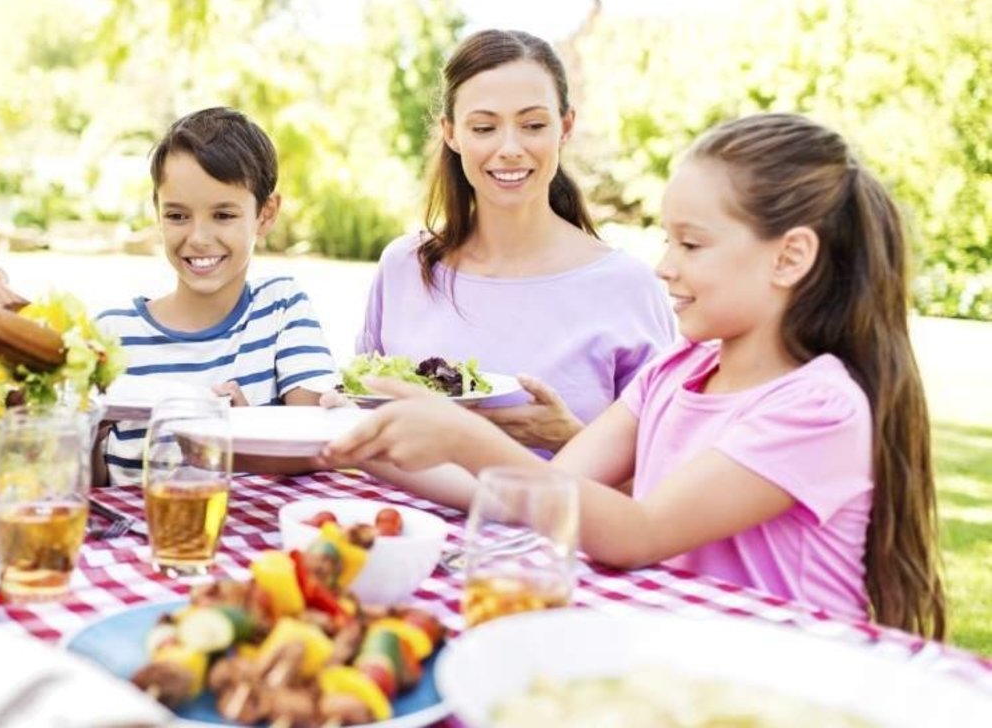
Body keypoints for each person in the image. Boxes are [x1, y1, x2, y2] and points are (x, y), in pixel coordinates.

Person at [323, 113, 945, 638]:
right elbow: (550, 492)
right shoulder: (676, 371)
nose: (664, 267)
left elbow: (639, 533)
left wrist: (460, 435)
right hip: (671, 659)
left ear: (790, 257)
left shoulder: (817, 408)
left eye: (691, 245)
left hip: (781, 688)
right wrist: (384, 437)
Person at [355, 29, 673, 459]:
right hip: (406, 525)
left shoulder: (628, 287)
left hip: (554, 524)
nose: (509, 148)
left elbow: (666, 476)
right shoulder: (403, 267)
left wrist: (571, 438)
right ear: (451, 133)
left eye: (533, 125)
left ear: (565, 127)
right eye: (484, 127)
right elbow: (359, 418)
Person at [94, 107, 338, 484]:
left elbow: (321, 443)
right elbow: (94, 483)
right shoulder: (111, 335)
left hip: (253, 536)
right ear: (157, 211)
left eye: (223, 215)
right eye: (177, 216)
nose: (199, 238)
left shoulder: (280, 308)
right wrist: (86, 437)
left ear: (265, 215)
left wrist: (246, 434)